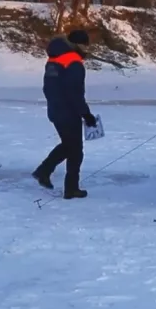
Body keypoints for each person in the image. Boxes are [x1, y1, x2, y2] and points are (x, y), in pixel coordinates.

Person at [32, 29, 97, 199]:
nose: (87, 49)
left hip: (55, 109)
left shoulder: (54, 59)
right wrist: (86, 114)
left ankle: (45, 171)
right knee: (75, 150)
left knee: (69, 146)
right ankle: (69, 188)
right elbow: (75, 93)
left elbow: (49, 87)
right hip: (68, 111)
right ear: (78, 44)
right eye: (85, 45)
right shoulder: (73, 62)